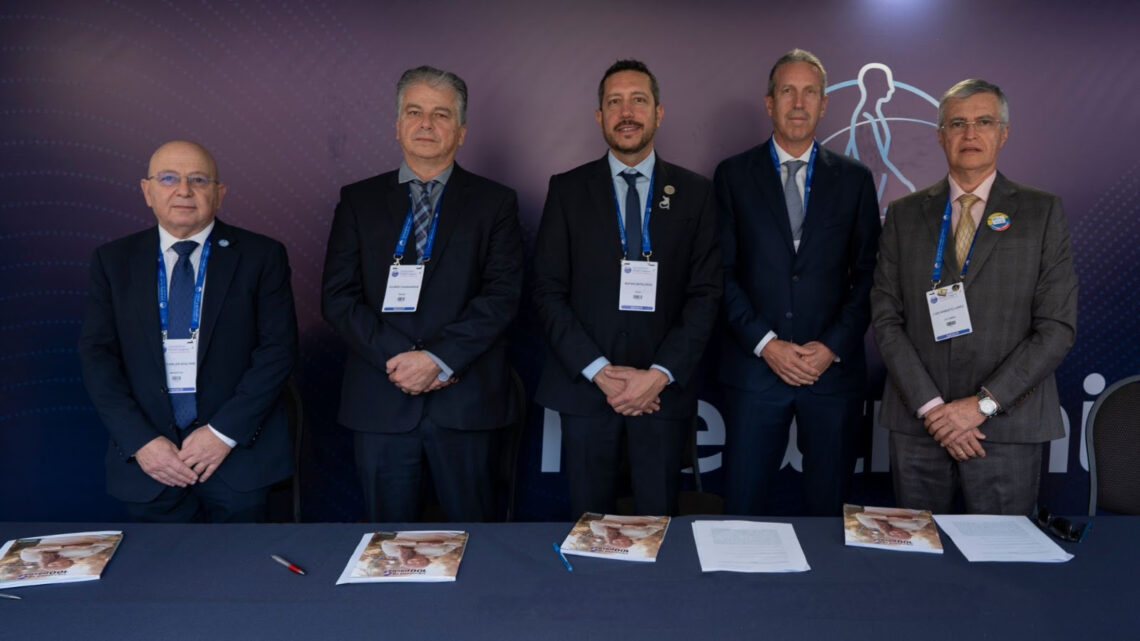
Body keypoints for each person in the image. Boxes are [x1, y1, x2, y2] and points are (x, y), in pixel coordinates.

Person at [322, 65, 523, 523]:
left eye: (441, 114)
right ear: (397, 126)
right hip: (381, 400)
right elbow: (338, 297)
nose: (426, 124)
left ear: (462, 132)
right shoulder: (358, 200)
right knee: (388, 547)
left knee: (476, 541)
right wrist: (400, 359)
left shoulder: (495, 203)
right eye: (414, 112)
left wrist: (438, 359)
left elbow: (502, 295)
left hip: (466, 403)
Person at [871, 78, 1078, 515]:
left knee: (1001, 555)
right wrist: (935, 410)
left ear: (1003, 133)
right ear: (940, 135)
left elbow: (1056, 328)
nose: (970, 134)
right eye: (957, 123)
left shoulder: (1042, 212)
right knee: (921, 553)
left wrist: (981, 406)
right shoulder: (904, 215)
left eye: (983, 122)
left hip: (1005, 429)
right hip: (920, 427)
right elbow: (886, 319)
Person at [533, 59, 721, 517]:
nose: (627, 112)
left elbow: (705, 294)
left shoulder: (696, 193)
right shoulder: (567, 190)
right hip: (586, 391)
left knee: (658, 526)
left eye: (638, 100)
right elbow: (547, 291)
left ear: (659, 112)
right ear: (600, 116)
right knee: (589, 529)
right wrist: (599, 371)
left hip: (661, 395)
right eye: (614, 102)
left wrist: (658, 375)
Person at [79, 140, 298, 523]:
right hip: (151, 464)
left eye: (198, 179)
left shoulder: (262, 256)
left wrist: (222, 433)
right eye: (168, 178)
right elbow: (98, 359)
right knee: (161, 563)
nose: (183, 190)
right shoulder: (113, 261)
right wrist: (141, 441)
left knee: (243, 562)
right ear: (147, 191)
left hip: (237, 459)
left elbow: (278, 351)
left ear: (219, 193)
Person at [715, 49, 881, 516]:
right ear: (769, 102)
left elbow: (870, 274)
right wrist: (767, 344)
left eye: (810, 92)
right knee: (742, 510)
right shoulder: (732, 176)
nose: (799, 102)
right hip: (755, 370)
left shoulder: (854, 180)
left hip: (831, 373)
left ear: (824, 104)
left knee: (829, 513)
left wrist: (830, 347)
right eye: (788, 91)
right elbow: (720, 273)